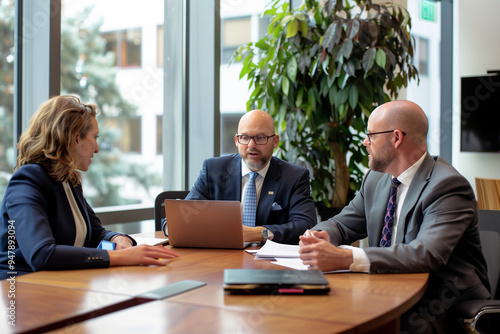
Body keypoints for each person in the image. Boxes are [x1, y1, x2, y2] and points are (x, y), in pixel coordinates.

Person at [299, 100, 490, 333]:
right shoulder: (375, 179)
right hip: (388, 289)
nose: (365, 142)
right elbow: (342, 223)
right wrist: (319, 236)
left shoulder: (447, 186)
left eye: (370, 135)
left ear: (396, 138)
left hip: (441, 302)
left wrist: (345, 257)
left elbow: (427, 254)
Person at [0, 95, 178, 279]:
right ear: (75, 139)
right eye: (95, 137)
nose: (97, 149)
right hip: (23, 288)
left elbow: (96, 232)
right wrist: (117, 256)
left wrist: (118, 239)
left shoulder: (68, 180)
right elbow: (42, 255)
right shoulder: (28, 180)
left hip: (63, 285)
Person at [165, 110, 317, 244]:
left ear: (275, 141)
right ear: (237, 141)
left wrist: (258, 234)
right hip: (220, 259)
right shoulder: (214, 170)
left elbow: (305, 225)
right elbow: (181, 219)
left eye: (261, 137)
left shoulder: (294, 176)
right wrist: (172, 227)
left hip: (269, 263)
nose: (252, 145)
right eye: (245, 137)